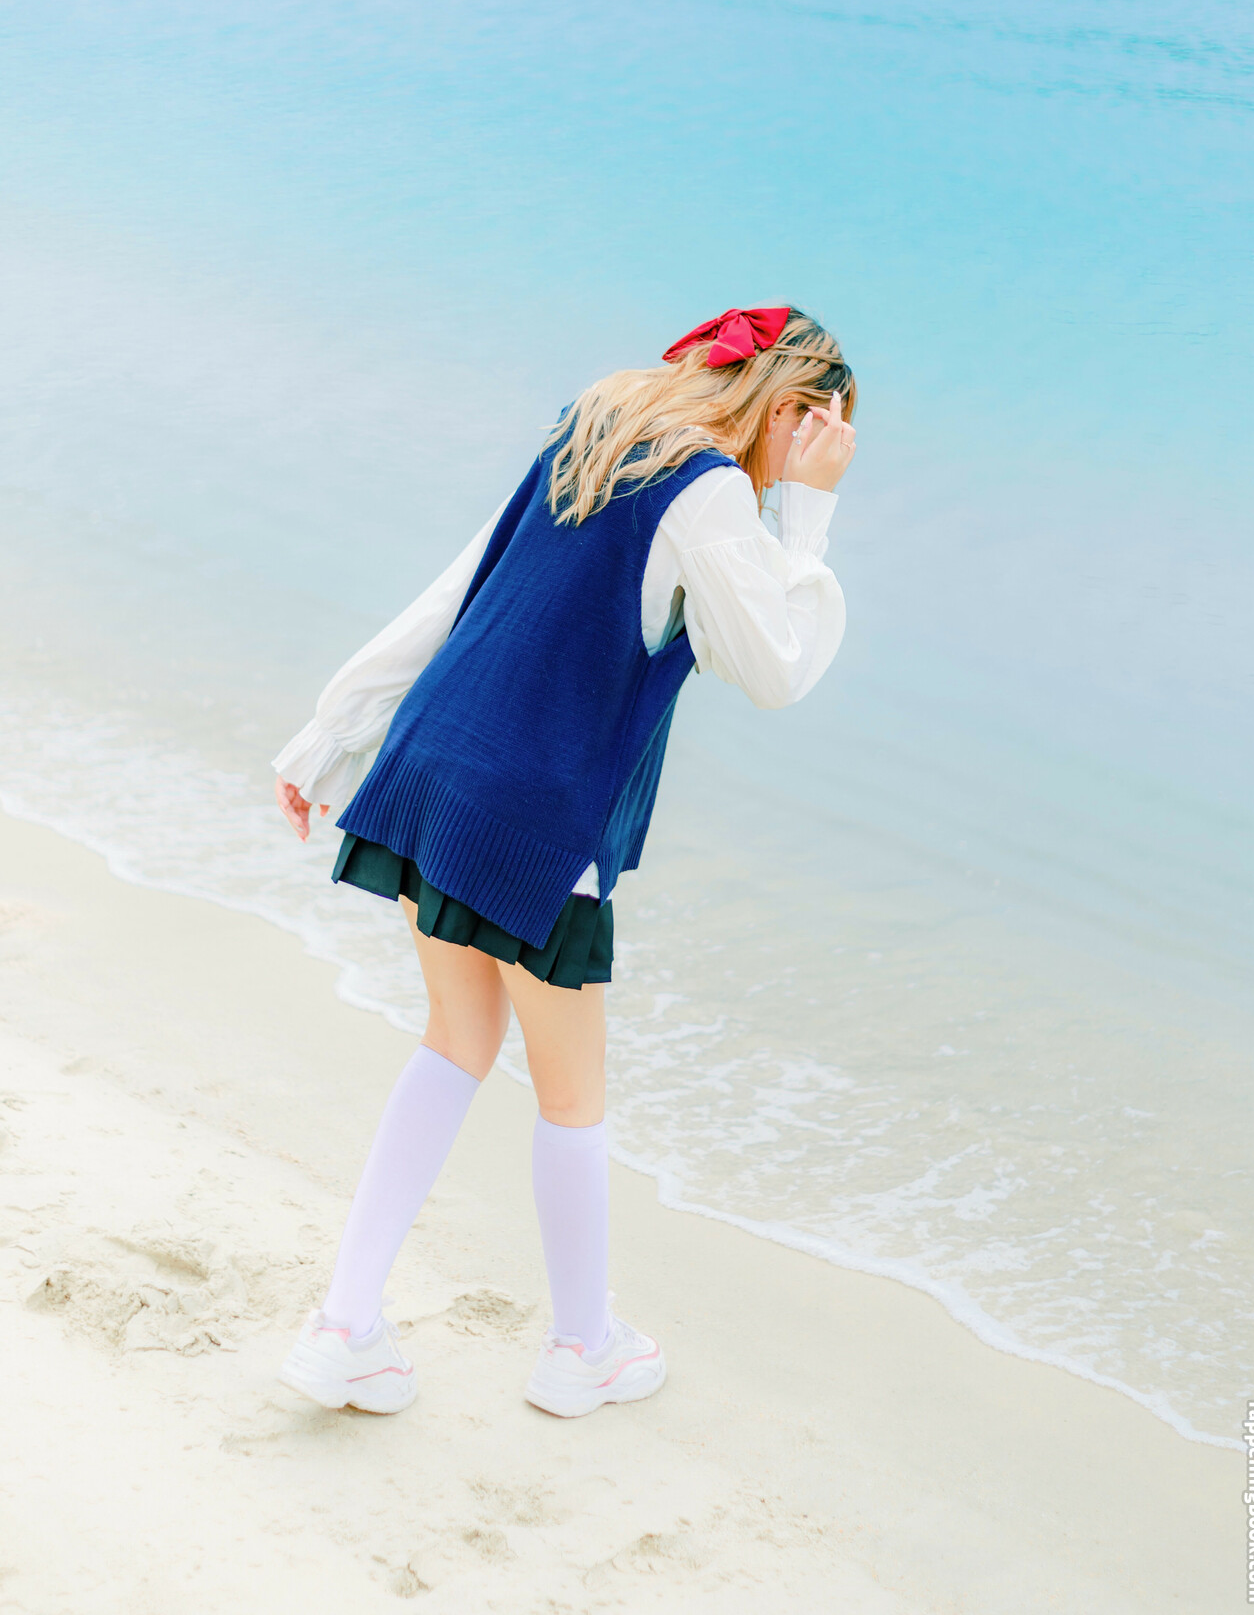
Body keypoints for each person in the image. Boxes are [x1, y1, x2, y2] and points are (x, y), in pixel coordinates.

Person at [272, 304, 856, 1419]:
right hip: (535, 813)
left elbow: (461, 588)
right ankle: (582, 1347)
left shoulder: (598, 424)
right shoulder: (712, 493)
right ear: (790, 408)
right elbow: (774, 668)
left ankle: (344, 1325)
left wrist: (333, 726)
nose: (821, 452)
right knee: (572, 1092)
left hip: (436, 762)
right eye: (822, 430)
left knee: (454, 1042)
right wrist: (811, 517)